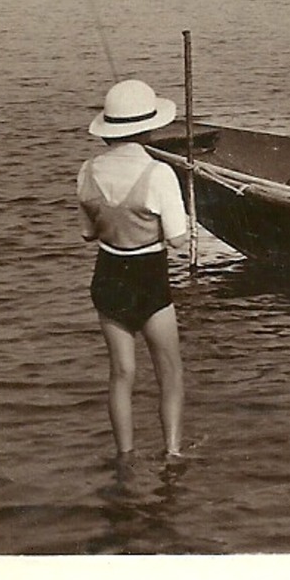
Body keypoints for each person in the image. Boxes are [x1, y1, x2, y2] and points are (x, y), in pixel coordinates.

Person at [77, 79, 190, 460]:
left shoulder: (88, 170)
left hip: (108, 275)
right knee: (170, 372)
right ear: (150, 128)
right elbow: (177, 239)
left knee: (121, 374)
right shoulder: (159, 173)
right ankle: (172, 453)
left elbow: (87, 233)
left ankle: (125, 456)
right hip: (149, 278)